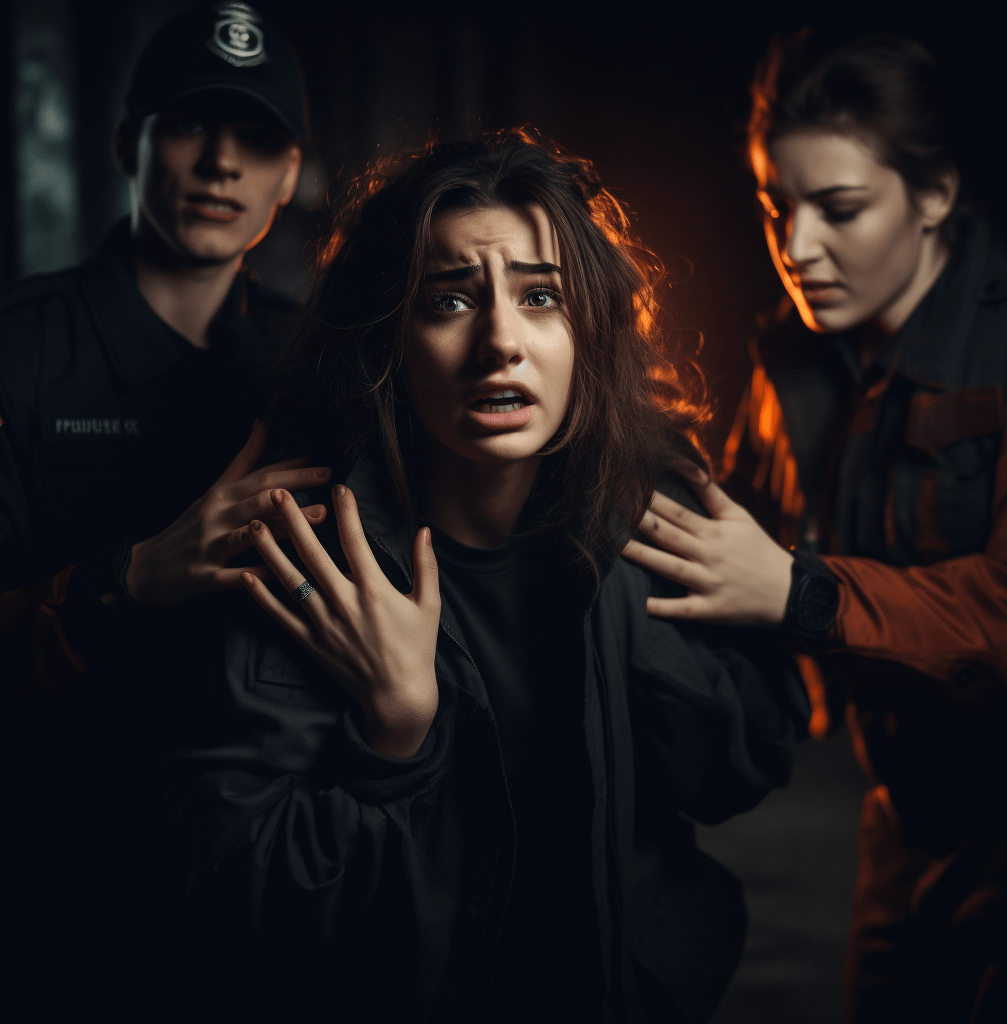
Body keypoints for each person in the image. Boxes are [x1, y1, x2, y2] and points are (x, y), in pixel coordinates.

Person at [165, 131, 810, 1022]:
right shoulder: (307, 544)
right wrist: (394, 736)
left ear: (587, 328)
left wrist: (746, 601)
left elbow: (747, 766)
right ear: (390, 336)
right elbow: (235, 884)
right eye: (450, 300)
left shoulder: (649, 505)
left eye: (541, 297)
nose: (501, 341)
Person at [622, 32, 1007, 1023]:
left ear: (933, 197)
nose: (797, 248)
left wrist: (799, 593)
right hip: (895, 816)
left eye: (839, 209)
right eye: (776, 209)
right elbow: (728, 549)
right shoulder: (794, 361)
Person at [0, 4, 328, 1017]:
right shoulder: (19, 353)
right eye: (190, 122)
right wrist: (130, 575)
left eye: (258, 137)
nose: (222, 163)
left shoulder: (319, 365)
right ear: (126, 143)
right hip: (53, 887)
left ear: (290, 172)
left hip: (252, 902)